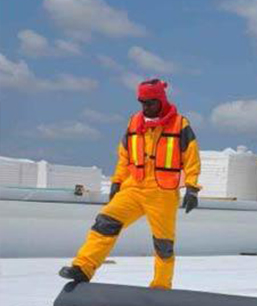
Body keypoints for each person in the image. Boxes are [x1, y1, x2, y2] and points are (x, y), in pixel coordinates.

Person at [59, 79, 201, 289]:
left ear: (161, 100)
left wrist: (192, 188)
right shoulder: (134, 122)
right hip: (133, 188)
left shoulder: (180, 124)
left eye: (150, 103)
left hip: (162, 192)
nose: (146, 107)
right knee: (105, 222)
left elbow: (191, 157)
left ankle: (161, 287)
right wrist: (117, 181)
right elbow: (125, 156)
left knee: (163, 245)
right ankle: (83, 268)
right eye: (142, 103)